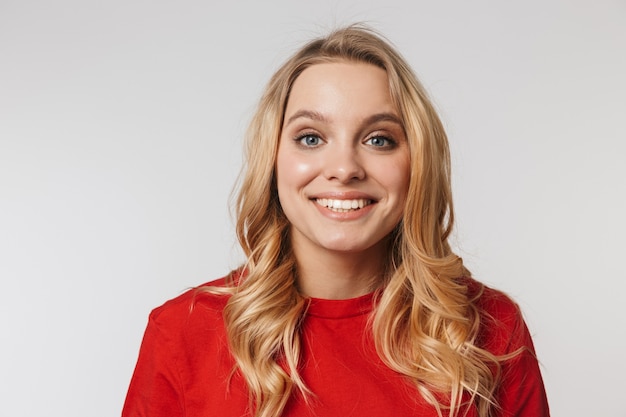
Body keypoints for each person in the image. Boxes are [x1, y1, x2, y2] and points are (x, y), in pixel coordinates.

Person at [122, 25, 549, 417]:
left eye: (378, 139)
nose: (344, 168)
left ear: (416, 162)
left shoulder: (490, 329)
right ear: (273, 160)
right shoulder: (181, 333)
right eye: (311, 138)